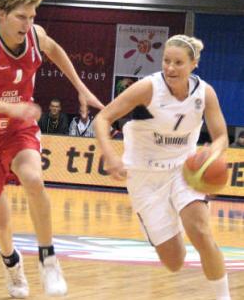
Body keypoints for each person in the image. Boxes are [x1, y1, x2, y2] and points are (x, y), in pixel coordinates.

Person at [0, 0, 103, 299]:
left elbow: (55, 50)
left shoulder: (36, 35)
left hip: (16, 130)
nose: (28, 23)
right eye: (21, 16)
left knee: (34, 179)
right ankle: (11, 262)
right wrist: (6, 106)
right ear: (1, 14)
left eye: (32, 16)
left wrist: (81, 88)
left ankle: (48, 258)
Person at [94, 34, 231, 300]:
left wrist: (212, 154)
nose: (170, 68)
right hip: (145, 177)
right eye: (166, 61)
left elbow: (222, 136)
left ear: (194, 64)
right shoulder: (148, 88)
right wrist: (111, 155)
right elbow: (103, 118)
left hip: (184, 171)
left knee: (202, 233)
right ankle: (172, 222)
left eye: (178, 62)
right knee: (174, 262)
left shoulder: (205, 93)